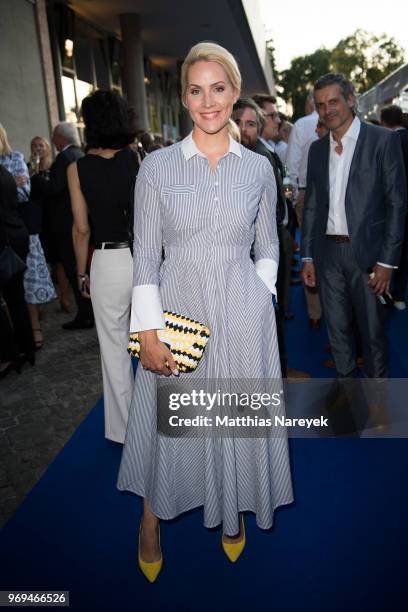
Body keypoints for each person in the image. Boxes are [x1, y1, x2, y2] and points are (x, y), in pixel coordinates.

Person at [117, 41, 293, 582]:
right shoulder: (158, 169)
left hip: (243, 318)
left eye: (219, 88)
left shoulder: (259, 170)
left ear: (236, 93)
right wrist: (147, 330)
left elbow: (270, 245)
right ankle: (151, 522)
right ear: (184, 98)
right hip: (178, 311)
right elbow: (145, 255)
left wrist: (258, 298)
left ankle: (232, 507)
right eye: (196, 90)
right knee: (171, 423)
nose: (208, 101)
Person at [301, 73, 407, 379]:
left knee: (373, 337)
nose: (327, 110)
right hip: (327, 255)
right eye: (321, 105)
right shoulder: (317, 150)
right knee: (337, 336)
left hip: (369, 257)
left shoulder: (383, 140)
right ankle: (350, 401)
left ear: (350, 100)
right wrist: (307, 256)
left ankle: (377, 407)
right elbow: (311, 207)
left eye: (333, 101)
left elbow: (397, 205)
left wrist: (387, 262)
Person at [67, 90, 139, 444]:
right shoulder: (134, 157)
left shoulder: (76, 168)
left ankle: (125, 430)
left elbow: (82, 229)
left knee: (114, 349)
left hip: (107, 262)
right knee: (152, 339)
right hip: (140, 257)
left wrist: (82, 273)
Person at [232, 97, 308, 380]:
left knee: (271, 318)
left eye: (250, 124)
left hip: (266, 248)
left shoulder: (260, 155)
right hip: (250, 254)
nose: (243, 129)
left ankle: (277, 377)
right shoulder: (246, 155)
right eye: (238, 122)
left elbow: (274, 208)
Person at [32, 122, 94, 330]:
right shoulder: (78, 154)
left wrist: (38, 179)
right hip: (77, 219)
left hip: (67, 223)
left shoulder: (65, 158)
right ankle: (88, 312)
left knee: (74, 269)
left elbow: (54, 188)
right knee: (81, 268)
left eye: (54, 136)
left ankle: (85, 314)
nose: (52, 140)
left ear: (61, 138)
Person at [0, 125, 56, 350]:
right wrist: (13, 183)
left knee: (21, 286)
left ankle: (30, 336)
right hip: (12, 229)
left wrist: (13, 186)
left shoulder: (14, 158)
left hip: (13, 231)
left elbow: (24, 193)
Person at [286, 93, 321, 328]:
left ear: (309, 103)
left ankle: (315, 313)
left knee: (310, 250)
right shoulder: (338, 121)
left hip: (307, 193)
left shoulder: (301, 124)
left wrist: (294, 198)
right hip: (331, 191)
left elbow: (292, 165)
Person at [30, 136, 71, 314]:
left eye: (41, 145)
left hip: (52, 218)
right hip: (36, 218)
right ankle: (38, 304)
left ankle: (64, 297)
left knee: (59, 262)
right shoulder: (28, 167)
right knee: (41, 260)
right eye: (34, 146)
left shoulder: (55, 166)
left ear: (47, 147)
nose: (38, 148)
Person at [0, 165, 35, 376]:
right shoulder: (4, 172)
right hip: (16, 233)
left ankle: (10, 353)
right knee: (16, 298)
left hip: (5, 240)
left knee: (12, 299)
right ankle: (26, 349)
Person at [380, 104, 408, 310]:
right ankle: (399, 295)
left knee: (391, 247)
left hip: (391, 206)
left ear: (384, 122)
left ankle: (387, 295)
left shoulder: (387, 141)